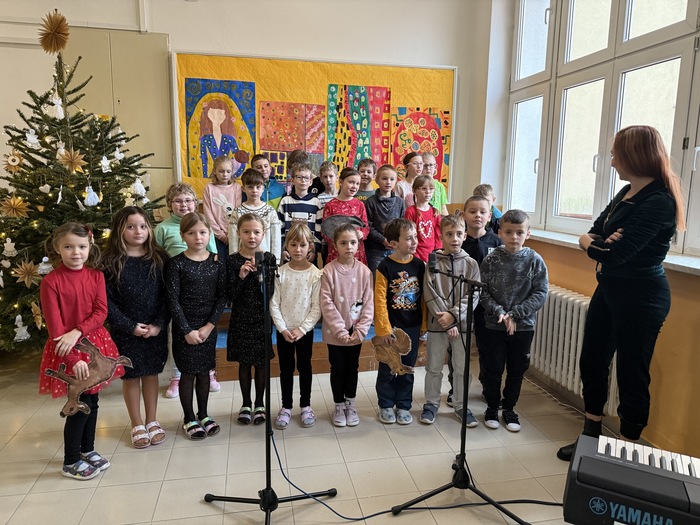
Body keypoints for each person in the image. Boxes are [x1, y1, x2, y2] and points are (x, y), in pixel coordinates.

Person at [557, 125, 685, 461]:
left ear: (633, 156)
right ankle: (590, 435)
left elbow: (614, 253)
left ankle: (626, 452)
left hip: (642, 298)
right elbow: (594, 233)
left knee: (631, 374)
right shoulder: (627, 192)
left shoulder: (659, 201)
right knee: (592, 362)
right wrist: (596, 241)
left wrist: (597, 244)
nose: (612, 162)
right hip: (610, 289)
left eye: (615, 155)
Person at [39, 222, 125, 479]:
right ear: (58, 248)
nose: (76, 252)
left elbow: (101, 312)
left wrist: (78, 331)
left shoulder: (96, 276)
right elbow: (56, 330)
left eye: (81, 247)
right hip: (68, 352)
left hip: (94, 345)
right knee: (79, 404)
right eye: (68, 247)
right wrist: (74, 358)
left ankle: (87, 449)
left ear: (89, 247)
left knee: (93, 401)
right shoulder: (51, 282)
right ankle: (71, 461)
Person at [102, 207, 169, 449]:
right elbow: (106, 301)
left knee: (151, 373)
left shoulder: (160, 259)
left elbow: (168, 296)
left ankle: (152, 420)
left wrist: (158, 324)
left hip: (154, 329)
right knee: (130, 376)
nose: (138, 231)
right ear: (120, 230)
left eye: (142, 226)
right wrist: (129, 326)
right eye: (130, 227)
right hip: (126, 331)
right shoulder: (110, 262)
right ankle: (137, 423)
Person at [479, 210, 548, 432]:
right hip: (494, 325)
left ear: (528, 234)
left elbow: (540, 292)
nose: (514, 237)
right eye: (509, 232)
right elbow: (483, 291)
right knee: (493, 369)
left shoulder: (535, 260)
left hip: (523, 327)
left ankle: (509, 409)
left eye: (519, 232)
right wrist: (500, 312)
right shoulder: (491, 259)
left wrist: (515, 314)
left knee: (516, 370)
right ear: (500, 233)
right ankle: (492, 407)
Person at [165, 213, 227, 440]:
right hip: (185, 328)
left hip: (207, 327)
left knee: (204, 372)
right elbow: (172, 300)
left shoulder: (217, 263)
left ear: (209, 234)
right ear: (183, 236)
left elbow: (222, 297)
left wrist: (210, 326)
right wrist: (186, 330)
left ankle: (204, 414)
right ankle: (189, 418)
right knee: (188, 373)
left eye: (202, 232)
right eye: (191, 233)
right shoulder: (176, 264)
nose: (198, 237)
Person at [154, 183, 220, 398]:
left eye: (188, 200)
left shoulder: (204, 225)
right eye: (178, 201)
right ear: (170, 204)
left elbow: (213, 255)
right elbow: (157, 258)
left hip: (202, 286)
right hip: (176, 287)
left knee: (206, 333)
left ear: (195, 202)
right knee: (178, 334)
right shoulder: (162, 228)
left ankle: (209, 372)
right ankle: (177, 376)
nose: (184, 205)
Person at [421, 215, 481, 426]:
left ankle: (461, 405)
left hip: (462, 327)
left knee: (462, 368)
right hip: (438, 325)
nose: (454, 238)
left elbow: (474, 295)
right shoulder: (433, 262)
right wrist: (446, 319)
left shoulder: (471, 264)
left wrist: (454, 316)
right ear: (441, 236)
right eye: (449, 234)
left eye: (458, 234)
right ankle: (431, 404)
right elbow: (429, 292)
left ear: (465, 236)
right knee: (434, 367)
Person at [270, 223, 323, 429]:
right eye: (293, 245)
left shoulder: (315, 274)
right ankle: (286, 407)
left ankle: (305, 405)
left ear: (310, 246)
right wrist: (283, 329)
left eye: (302, 245)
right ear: (287, 246)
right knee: (286, 369)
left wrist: (302, 329)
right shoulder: (280, 273)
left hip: (304, 332)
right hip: (284, 331)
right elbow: (274, 304)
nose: (298, 249)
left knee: (304, 367)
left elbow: (316, 307)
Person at [320, 224, 374, 427]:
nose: (349, 247)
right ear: (335, 245)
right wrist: (340, 330)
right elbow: (326, 303)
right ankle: (339, 405)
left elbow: (367, 303)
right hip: (335, 332)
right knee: (337, 367)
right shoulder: (328, 271)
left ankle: (350, 404)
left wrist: (360, 330)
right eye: (343, 243)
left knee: (352, 367)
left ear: (358, 244)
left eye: (353, 242)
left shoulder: (364, 272)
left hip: (355, 332)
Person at [374, 218, 426, 425]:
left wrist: (423, 326)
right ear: (394, 243)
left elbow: (423, 299)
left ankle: (404, 405)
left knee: (407, 367)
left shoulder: (419, 265)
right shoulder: (384, 266)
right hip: (391, 327)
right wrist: (383, 329)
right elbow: (379, 300)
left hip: (412, 326)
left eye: (415, 237)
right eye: (409, 238)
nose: (414, 241)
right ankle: (386, 404)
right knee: (388, 366)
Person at [227, 213, 277, 425]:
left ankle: (260, 403)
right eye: (246, 232)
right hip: (241, 318)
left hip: (261, 318)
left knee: (262, 362)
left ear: (263, 233)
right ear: (239, 233)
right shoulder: (232, 260)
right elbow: (230, 295)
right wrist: (241, 276)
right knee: (245, 363)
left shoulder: (268, 258)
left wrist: (260, 275)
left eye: (256, 232)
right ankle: (246, 403)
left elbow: (271, 292)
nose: (251, 236)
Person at [461, 195, 504, 405]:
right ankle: (456, 389)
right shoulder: (458, 239)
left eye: (482, 212)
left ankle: (489, 388)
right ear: (464, 215)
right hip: (463, 302)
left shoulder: (497, 243)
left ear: (489, 216)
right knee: (459, 349)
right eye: (472, 211)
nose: (477, 215)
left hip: (487, 305)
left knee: (488, 349)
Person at [229, 168, 282, 261]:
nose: (254, 190)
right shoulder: (237, 212)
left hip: (265, 260)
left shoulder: (270, 211)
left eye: (258, 187)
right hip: (242, 261)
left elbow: (276, 239)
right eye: (250, 187)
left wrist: (276, 261)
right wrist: (234, 261)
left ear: (263, 188)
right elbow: (233, 240)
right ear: (243, 189)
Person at [322, 167, 370, 265]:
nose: (354, 186)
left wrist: (362, 233)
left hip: (356, 253)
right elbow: (325, 230)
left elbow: (366, 227)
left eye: (357, 183)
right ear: (341, 182)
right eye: (351, 182)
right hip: (337, 253)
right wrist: (338, 239)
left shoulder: (360, 205)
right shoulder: (330, 205)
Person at [278, 162, 323, 263]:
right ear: (292, 180)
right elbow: (280, 227)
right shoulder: (285, 201)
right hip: (289, 251)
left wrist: (314, 250)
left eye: (306, 178)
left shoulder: (316, 202)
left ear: (311, 182)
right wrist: (283, 249)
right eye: (299, 177)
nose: (303, 180)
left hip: (309, 253)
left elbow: (318, 229)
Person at [364, 164, 406, 274]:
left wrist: (395, 241)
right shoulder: (370, 202)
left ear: (396, 181)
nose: (388, 182)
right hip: (375, 250)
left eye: (392, 179)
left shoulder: (400, 202)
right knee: (377, 277)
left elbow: (403, 225)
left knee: (394, 278)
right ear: (377, 180)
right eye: (384, 179)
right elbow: (368, 226)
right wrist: (383, 241)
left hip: (395, 248)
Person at [202, 155, 242, 262]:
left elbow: (238, 211)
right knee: (219, 263)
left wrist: (231, 233)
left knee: (234, 262)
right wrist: (221, 235)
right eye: (221, 171)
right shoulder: (209, 188)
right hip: (216, 235)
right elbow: (208, 214)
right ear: (215, 171)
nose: (225, 174)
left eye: (228, 171)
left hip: (234, 233)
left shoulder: (237, 187)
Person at [199, 99, 243, 178]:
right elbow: (204, 160)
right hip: (212, 178)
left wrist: (233, 176)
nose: (216, 117)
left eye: (220, 114)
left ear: (225, 115)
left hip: (227, 178)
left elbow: (241, 160)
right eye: (213, 114)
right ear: (208, 114)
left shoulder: (230, 139)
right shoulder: (205, 139)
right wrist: (205, 177)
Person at [404, 175, 442, 262]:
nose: (428, 192)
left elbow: (438, 236)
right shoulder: (410, 211)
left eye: (431, 189)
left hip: (432, 255)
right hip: (416, 254)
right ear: (414, 191)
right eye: (423, 188)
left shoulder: (435, 212)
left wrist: (436, 253)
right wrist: (415, 256)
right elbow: (408, 235)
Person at [317, 161, 339, 264]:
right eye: (325, 177)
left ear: (337, 177)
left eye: (331, 176)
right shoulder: (319, 199)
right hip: (326, 242)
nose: (328, 180)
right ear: (321, 179)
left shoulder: (343, 195)